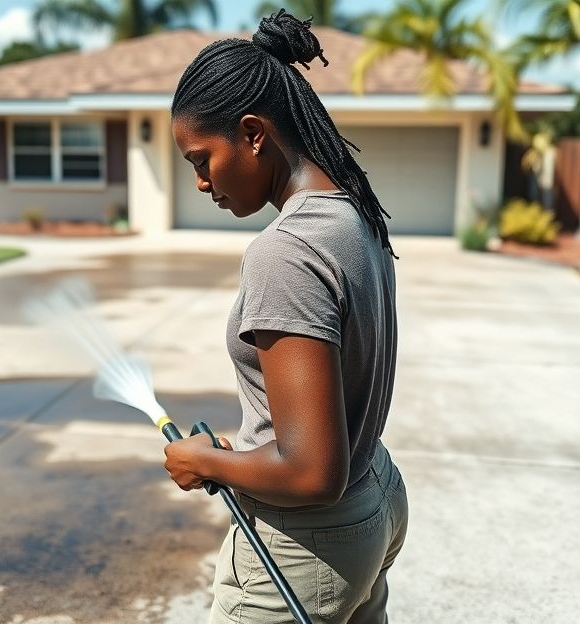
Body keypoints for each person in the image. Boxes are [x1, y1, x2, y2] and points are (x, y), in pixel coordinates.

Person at [163, 9, 408, 623]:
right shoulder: (354, 213)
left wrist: (205, 462)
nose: (201, 183)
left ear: (253, 134)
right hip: (374, 495)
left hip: (306, 544)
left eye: (201, 160)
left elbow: (310, 471)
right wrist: (240, 455)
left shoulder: (285, 252)